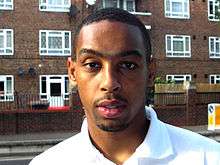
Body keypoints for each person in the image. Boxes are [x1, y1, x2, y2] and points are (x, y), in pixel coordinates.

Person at [29, 8, 220, 165]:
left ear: (151, 73)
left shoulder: (209, 157)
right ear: (73, 72)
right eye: (92, 65)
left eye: (128, 65)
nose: (109, 83)